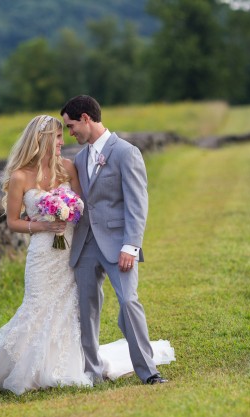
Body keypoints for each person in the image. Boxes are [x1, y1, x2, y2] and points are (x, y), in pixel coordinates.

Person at [0, 114, 91, 395]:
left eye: (62, 136)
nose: (61, 142)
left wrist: (68, 213)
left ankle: (61, 366)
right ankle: (21, 368)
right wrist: (44, 225)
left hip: (69, 249)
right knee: (36, 305)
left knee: (67, 307)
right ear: (41, 139)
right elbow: (13, 221)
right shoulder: (21, 176)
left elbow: (80, 207)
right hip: (43, 253)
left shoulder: (68, 168)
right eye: (56, 137)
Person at [60, 95, 169, 385]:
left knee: (129, 303)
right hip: (85, 245)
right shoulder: (80, 159)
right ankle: (91, 374)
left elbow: (137, 202)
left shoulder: (125, 152)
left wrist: (130, 246)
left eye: (71, 126)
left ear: (85, 118)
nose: (70, 133)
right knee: (86, 309)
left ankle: (149, 372)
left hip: (119, 244)